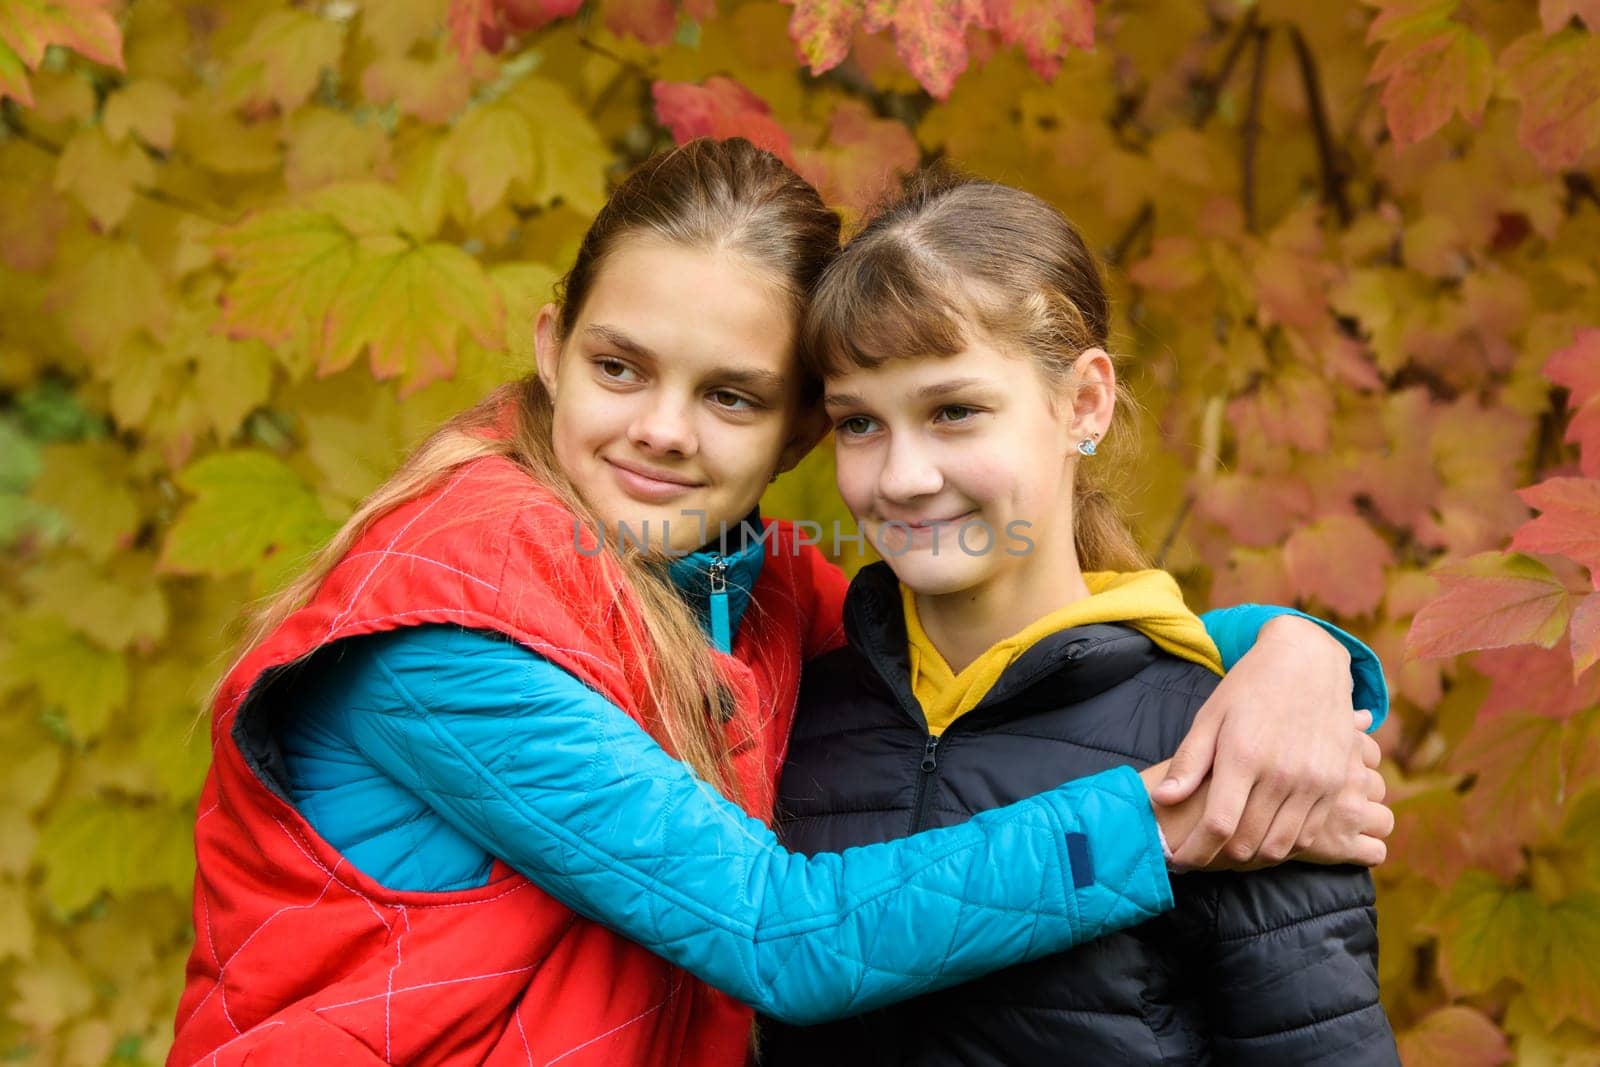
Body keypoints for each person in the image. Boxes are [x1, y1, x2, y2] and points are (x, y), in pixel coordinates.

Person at [170, 140, 1390, 1066]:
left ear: (799, 426)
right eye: (618, 365)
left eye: (732, 395)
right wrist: (1160, 823)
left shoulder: (739, 586)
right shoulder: (445, 624)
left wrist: (1296, 652)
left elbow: (1028, 653)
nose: (659, 429)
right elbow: (777, 931)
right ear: (549, 345)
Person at [764, 171, 1398, 1064]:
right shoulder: (796, 701)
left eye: (955, 410)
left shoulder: (1230, 743)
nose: (901, 476)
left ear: (1084, 402)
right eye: (860, 424)